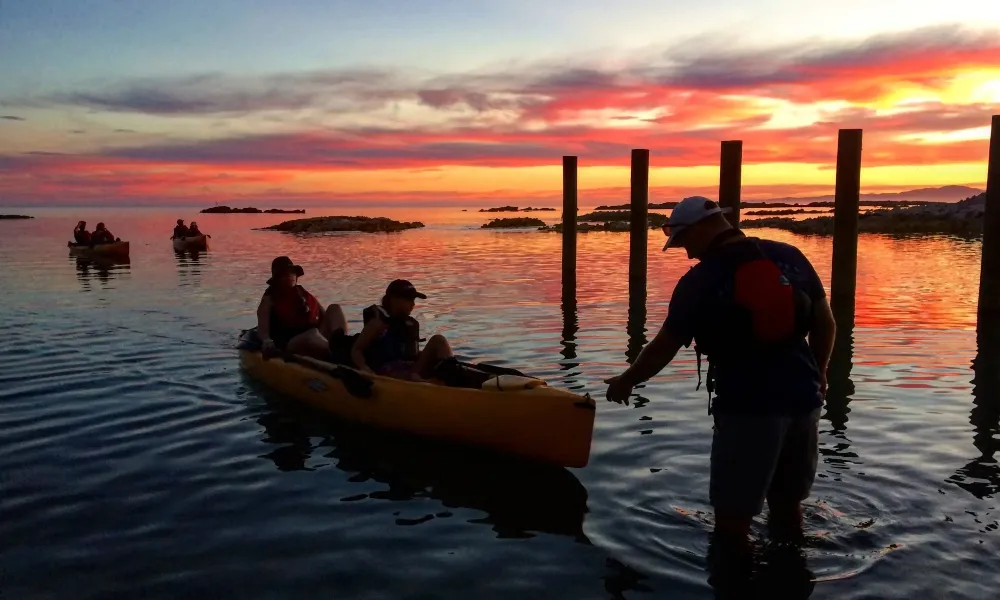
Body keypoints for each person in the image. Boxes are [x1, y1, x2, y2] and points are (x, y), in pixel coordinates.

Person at [604, 195, 836, 552]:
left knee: (732, 522)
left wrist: (626, 381)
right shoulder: (790, 256)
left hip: (748, 405)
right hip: (804, 399)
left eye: (684, 242)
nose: (686, 253)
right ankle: (791, 577)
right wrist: (819, 374)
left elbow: (665, 345)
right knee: (788, 507)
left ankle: (733, 582)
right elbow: (825, 324)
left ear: (701, 229)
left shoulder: (701, 280)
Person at [348, 279, 453, 381]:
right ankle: (424, 382)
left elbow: (412, 354)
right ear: (394, 299)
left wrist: (429, 357)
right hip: (386, 371)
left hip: (412, 370)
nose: (413, 304)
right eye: (409, 299)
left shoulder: (411, 324)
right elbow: (356, 350)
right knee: (401, 374)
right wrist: (364, 367)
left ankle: (453, 374)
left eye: (413, 300)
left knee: (438, 340)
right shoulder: (378, 323)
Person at [256, 256, 347, 361]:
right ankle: (341, 354)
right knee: (311, 335)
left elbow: (324, 316)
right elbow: (262, 330)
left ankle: (343, 343)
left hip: (316, 336)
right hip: (290, 342)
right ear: (277, 278)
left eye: (292, 273)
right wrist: (267, 341)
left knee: (334, 308)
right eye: (285, 274)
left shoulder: (302, 294)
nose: (289, 276)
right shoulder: (268, 299)